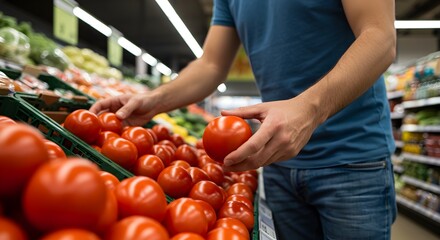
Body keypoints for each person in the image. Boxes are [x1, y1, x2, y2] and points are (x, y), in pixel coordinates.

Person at [90, 0, 397, 239]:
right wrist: (153, 100)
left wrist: (309, 109)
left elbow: (380, 37)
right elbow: (211, 64)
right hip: (276, 160)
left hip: (353, 160)